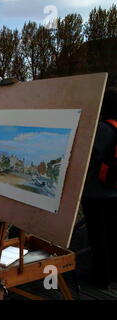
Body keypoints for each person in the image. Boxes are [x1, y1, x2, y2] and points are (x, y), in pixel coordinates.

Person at [82, 87, 117, 289]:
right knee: (113, 233)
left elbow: (85, 154)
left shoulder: (102, 129)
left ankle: (100, 277)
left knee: (98, 235)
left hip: (96, 192)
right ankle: (113, 272)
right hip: (114, 190)